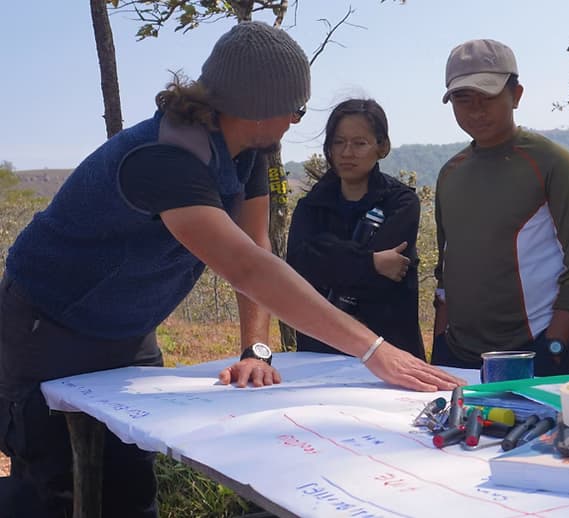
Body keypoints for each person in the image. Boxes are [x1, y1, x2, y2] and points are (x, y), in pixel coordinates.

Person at [0, 22, 462, 517]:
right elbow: (245, 267)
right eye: (296, 110)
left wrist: (256, 350)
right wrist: (373, 349)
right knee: (54, 487)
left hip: (127, 329)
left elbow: (256, 245)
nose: (293, 122)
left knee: (131, 486)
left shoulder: (250, 153)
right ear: (260, 109)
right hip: (45, 326)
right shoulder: (164, 159)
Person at [431, 38, 569, 377]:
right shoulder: (450, 173)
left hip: (532, 352)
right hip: (457, 354)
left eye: (489, 97)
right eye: (464, 99)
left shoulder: (554, 164)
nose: (476, 110)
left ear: (516, 95)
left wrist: (554, 345)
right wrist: (439, 344)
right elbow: (446, 269)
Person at [286, 99, 425, 360]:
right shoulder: (311, 205)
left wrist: (326, 257)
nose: (347, 152)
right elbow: (297, 265)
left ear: (381, 147)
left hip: (390, 350)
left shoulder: (402, 203)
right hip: (319, 352)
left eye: (359, 143)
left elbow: (380, 283)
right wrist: (371, 261)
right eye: (338, 142)